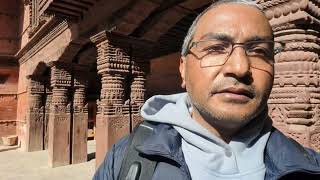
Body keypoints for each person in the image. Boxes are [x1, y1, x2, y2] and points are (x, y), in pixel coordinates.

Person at [93, 0, 320, 179]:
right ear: (183, 69)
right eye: (216, 48)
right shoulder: (125, 159)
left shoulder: (309, 167)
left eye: (259, 51)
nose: (240, 68)